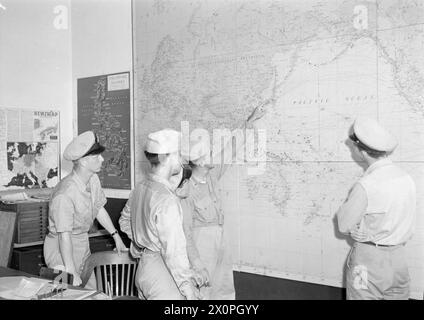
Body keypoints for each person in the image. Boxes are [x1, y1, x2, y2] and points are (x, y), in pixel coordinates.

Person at [180, 101, 268, 299]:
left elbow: (231, 148)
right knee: (203, 290)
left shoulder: (212, 174)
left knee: (224, 288)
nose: (214, 154)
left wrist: (250, 121)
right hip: (201, 242)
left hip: (220, 237)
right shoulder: (186, 191)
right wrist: (196, 263)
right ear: (200, 161)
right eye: (209, 152)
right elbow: (186, 232)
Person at [336, 117, 416, 300]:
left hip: (368, 263)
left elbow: (343, 225)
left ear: (361, 151)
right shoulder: (406, 178)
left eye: (352, 147)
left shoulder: (367, 184)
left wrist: (357, 228)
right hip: (399, 261)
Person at [118, 129, 201, 300]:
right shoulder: (167, 200)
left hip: (144, 269)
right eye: (179, 154)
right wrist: (187, 287)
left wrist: (140, 242)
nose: (182, 159)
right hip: (162, 272)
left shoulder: (140, 187)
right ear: (166, 158)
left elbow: (124, 220)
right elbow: (173, 250)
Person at [43, 131, 128, 287]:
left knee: (92, 293)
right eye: (96, 157)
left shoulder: (93, 179)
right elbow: (64, 236)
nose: (102, 159)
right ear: (83, 162)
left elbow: (99, 208)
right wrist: (71, 271)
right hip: (61, 252)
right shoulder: (64, 194)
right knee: (66, 294)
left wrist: (116, 236)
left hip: (82, 245)